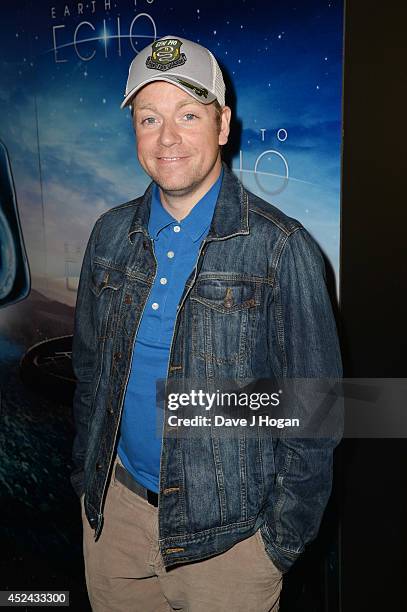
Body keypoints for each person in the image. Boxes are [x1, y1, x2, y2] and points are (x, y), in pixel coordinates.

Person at [71, 35, 342, 612]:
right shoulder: (109, 237)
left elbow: (317, 409)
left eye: (187, 115)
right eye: (149, 118)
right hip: (115, 528)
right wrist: (85, 486)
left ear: (222, 125)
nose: (167, 138)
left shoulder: (281, 249)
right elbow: (90, 375)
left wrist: (274, 547)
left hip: (230, 550)